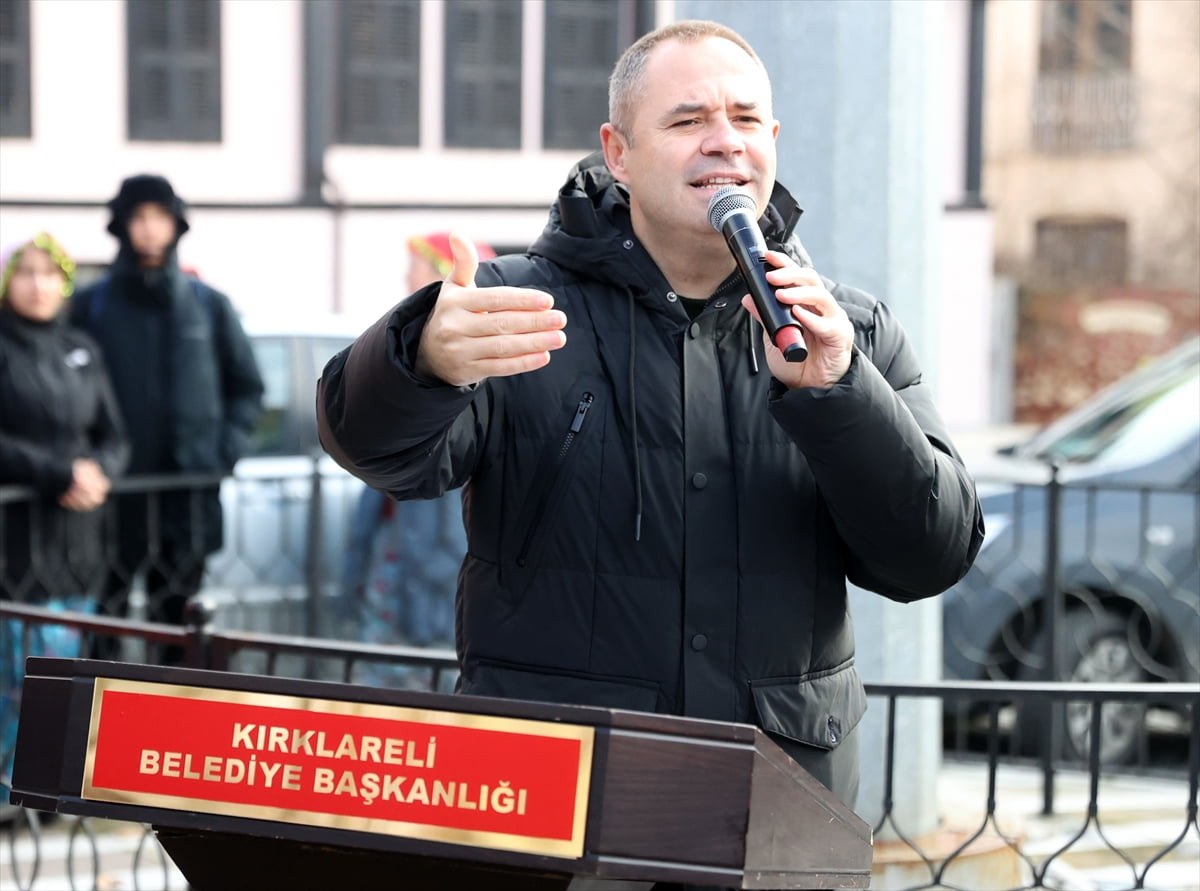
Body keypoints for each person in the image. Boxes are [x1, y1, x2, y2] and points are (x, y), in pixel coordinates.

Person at [317, 20, 984, 820]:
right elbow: (375, 450)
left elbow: (930, 556)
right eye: (687, 120)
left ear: (773, 141)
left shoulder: (851, 332)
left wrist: (841, 394)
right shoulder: (517, 307)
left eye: (745, 120)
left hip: (777, 801)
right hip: (561, 800)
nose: (723, 143)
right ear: (619, 152)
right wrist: (416, 359)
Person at [71, 174, 265, 665]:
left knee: (179, 633)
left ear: (175, 225)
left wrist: (220, 456)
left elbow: (247, 389)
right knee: (102, 628)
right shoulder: (89, 307)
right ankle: (91, 737)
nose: (150, 229)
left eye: (159, 217)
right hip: (111, 502)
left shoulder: (208, 307)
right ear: (123, 225)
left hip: (187, 501)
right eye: (139, 217)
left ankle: (166, 732)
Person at [0, 232, 129, 805]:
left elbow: (114, 435)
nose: (37, 283)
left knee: (65, 678)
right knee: (21, 678)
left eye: (49, 273)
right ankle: (12, 795)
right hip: (17, 544)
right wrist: (58, 473)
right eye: (25, 272)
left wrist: (98, 471)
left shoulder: (83, 347)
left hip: (80, 541)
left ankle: (48, 796)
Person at [340, 234, 496, 687]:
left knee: (429, 690)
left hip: (436, 563)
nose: (407, 277)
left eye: (416, 267)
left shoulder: (475, 363)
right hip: (396, 549)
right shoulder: (403, 349)